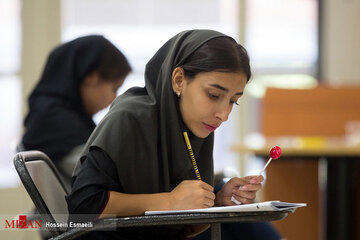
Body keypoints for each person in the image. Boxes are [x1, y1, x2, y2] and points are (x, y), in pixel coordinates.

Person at [67, 30, 264, 239]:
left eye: (233, 101)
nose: (224, 115)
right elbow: (83, 206)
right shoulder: (130, 117)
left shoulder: (194, 125)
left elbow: (182, 229)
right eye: (213, 95)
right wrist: (170, 201)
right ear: (179, 80)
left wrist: (216, 201)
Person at [21, 35, 132, 187]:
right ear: (91, 77)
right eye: (114, 88)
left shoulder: (58, 116)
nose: (115, 98)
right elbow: (104, 176)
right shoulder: (55, 123)